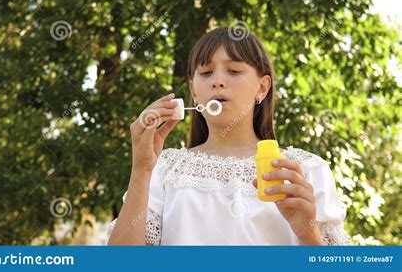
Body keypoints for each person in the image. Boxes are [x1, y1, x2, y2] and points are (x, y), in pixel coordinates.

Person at [107, 26, 353, 245]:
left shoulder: (304, 171)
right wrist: (141, 169)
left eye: (234, 71)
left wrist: (308, 234)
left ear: (263, 87)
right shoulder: (163, 170)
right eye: (206, 73)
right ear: (193, 90)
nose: (218, 82)